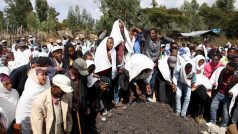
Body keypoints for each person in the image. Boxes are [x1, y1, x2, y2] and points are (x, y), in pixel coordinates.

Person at [14, 68, 50, 134]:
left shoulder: (46, 85)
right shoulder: (31, 88)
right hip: (26, 116)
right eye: (42, 75)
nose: (45, 77)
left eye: (46, 74)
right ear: (35, 76)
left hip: (39, 116)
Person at [206, 62, 237, 128]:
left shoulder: (236, 76)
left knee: (225, 111)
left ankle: (224, 125)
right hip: (219, 92)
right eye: (227, 68)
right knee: (213, 107)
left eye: (229, 70)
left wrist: (232, 92)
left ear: (234, 70)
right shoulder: (222, 70)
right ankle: (212, 121)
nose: (227, 70)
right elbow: (216, 79)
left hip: (227, 96)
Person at [110, 19, 134, 106]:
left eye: (123, 27)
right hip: (116, 63)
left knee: (121, 82)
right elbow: (113, 53)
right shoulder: (114, 38)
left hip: (122, 62)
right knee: (116, 83)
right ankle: (116, 100)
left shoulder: (122, 38)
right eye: (120, 27)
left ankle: (119, 98)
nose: (122, 29)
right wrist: (117, 64)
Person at [71, 58, 89, 134]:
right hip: (71, 111)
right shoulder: (66, 78)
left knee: (82, 127)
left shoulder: (82, 77)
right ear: (74, 68)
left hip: (81, 108)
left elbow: (84, 92)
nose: (81, 74)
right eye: (79, 71)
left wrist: (86, 106)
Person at [144, 28, 161, 102]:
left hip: (155, 63)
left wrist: (154, 61)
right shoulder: (147, 41)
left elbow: (158, 53)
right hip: (148, 62)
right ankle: (146, 95)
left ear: (156, 34)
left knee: (153, 81)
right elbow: (146, 51)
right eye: (150, 33)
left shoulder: (158, 42)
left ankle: (150, 95)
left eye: (153, 33)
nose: (152, 35)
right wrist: (150, 61)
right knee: (146, 80)